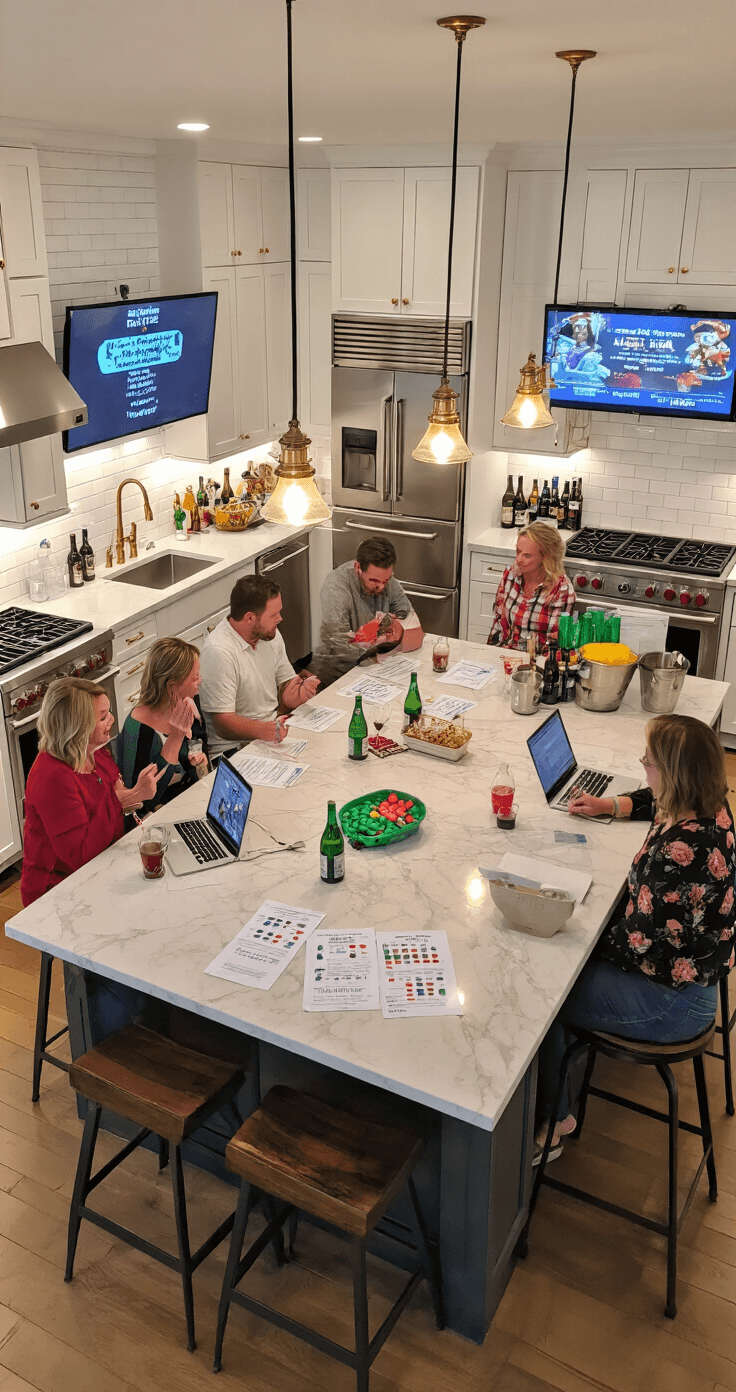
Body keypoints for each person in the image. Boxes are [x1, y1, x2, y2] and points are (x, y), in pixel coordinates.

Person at [536, 714, 736, 1163]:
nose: (643, 767)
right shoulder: (710, 806)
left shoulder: (677, 860)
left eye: (649, 762)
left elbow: (636, 948)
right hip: (693, 979)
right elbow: (653, 800)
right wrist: (613, 805)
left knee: (543, 995)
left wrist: (569, 918)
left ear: (675, 774)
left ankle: (554, 1120)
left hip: (668, 1001)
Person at [21, 677, 161, 1035]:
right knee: (134, 939)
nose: (112, 719)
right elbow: (80, 855)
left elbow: (111, 807)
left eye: (108, 711)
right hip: (56, 894)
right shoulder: (52, 776)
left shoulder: (94, 754)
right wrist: (122, 800)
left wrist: (131, 798)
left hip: (97, 870)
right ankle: (113, 1034)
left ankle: (153, 1014)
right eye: (102, 717)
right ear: (77, 726)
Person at [199, 574, 320, 760]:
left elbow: (284, 684)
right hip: (235, 751)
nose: (280, 619)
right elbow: (222, 724)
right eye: (273, 614)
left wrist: (292, 697)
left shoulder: (269, 634)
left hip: (271, 734)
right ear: (249, 618)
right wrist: (265, 729)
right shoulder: (219, 651)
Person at [312, 537, 424, 686]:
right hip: (335, 677)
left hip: (373, 672)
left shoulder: (386, 582)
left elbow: (415, 631)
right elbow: (339, 646)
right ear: (358, 567)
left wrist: (399, 632)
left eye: (386, 580)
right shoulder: (336, 588)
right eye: (374, 581)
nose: (382, 587)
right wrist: (381, 639)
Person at [116, 637, 209, 815]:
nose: (200, 681)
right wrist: (175, 739)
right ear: (172, 686)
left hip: (192, 801)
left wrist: (201, 764)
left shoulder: (188, 704)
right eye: (195, 677)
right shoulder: (138, 731)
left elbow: (201, 764)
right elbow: (141, 804)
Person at [486, 520, 575, 651]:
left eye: (527, 555)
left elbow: (554, 646)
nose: (519, 560)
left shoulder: (561, 590)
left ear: (545, 557)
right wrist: (490, 653)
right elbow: (498, 625)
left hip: (537, 665)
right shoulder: (510, 576)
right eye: (518, 552)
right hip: (504, 657)